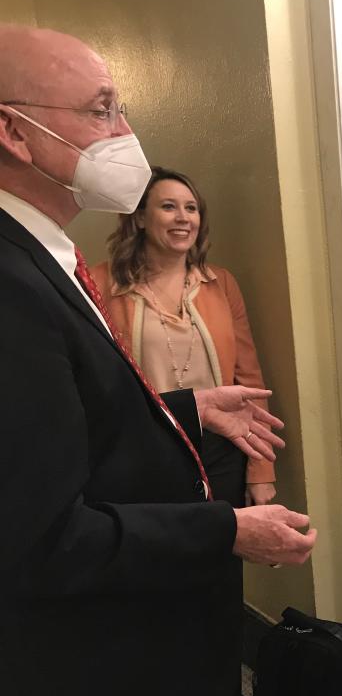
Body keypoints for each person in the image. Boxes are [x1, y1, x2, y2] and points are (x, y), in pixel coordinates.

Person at [0, 24, 316, 696]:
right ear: (14, 133)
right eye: (101, 109)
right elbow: (44, 536)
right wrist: (227, 527)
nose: (125, 131)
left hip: (189, 503)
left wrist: (189, 408)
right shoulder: (13, 285)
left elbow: (80, 418)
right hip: (103, 648)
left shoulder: (46, 258)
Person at [92, 166, 276, 509]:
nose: (183, 218)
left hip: (220, 449)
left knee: (220, 556)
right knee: (157, 557)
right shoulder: (101, 283)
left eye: (191, 208)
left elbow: (248, 379)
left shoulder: (220, 283)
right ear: (141, 217)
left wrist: (261, 470)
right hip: (145, 448)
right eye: (168, 207)